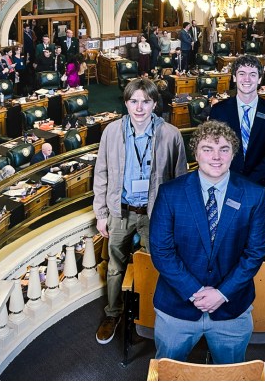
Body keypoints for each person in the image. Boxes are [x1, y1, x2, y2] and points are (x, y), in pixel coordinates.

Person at [148, 120, 265, 363]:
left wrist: (222, 293)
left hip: (231, 308)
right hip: (177, 307)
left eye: (224, 149)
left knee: (231, 376)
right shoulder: (170, 193)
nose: (216, 157)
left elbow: (254, 253)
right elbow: (161, 251)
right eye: (207, 149)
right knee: (168, 374)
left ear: (233, 154)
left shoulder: (254, 195)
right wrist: (194, 291)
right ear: (196, 153)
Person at [91, 78, 187, 344]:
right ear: (126, 103)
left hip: (156, 215)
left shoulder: (171, 134)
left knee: (156, 266)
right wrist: (101, 214)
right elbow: (101, 173)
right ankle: (113, 313)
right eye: (134, 101)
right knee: (115, 267)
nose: (139, 107)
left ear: (155, 104)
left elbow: (180, 180)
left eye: (146, 101)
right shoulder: (111, 132)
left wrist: (176, 219)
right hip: (120, 211)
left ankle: (152, 314)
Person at [209, 55, 265, 187]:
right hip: (225, 183)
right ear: (234, 77)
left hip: (258, 185)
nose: (247, 79)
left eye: (252, 74)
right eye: (242, 73)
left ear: (259, 79)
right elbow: (214, 149)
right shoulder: (218, 111)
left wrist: (249, 182)